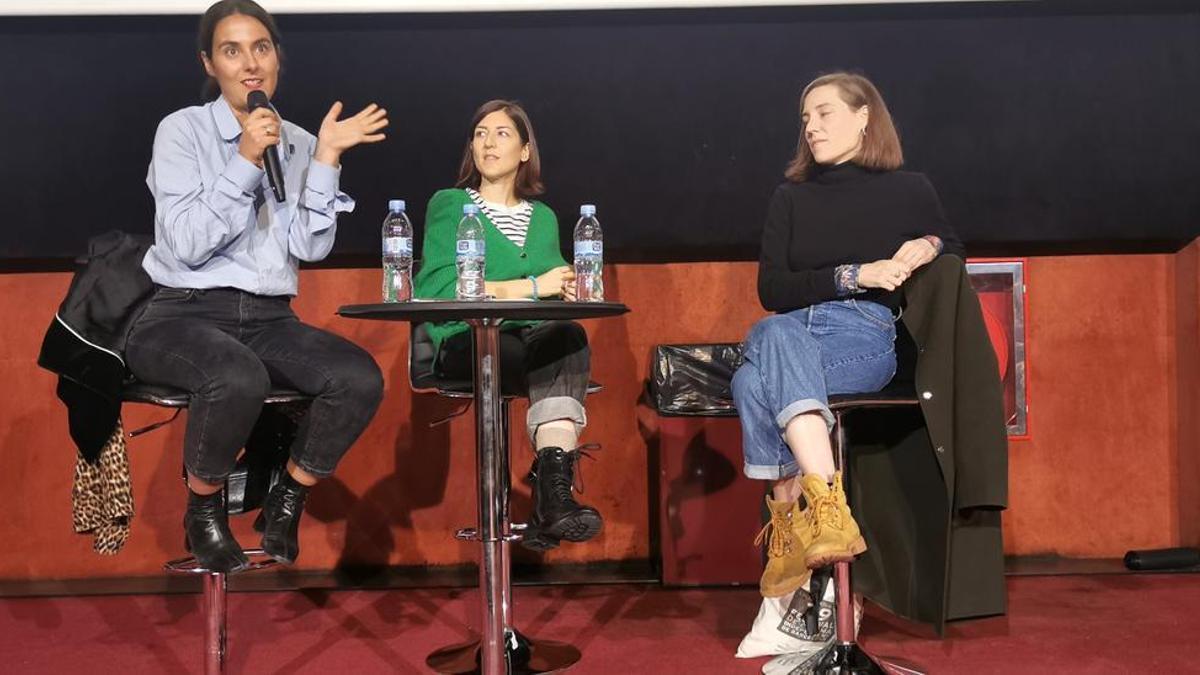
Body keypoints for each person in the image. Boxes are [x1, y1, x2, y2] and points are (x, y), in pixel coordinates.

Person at [126, 0, 389, 572]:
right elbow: (186, 244)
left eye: (261, 47)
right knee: (234, 375)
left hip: (269, 318)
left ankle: (286, 498)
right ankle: (203, 508)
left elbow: (310, 247)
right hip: (181, 314)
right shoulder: (182, 131)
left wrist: (325, 158)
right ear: (209, 62)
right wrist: (244, 159)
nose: (250, 63)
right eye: (231, 50)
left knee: (357, 377)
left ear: (276, 59)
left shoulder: (292, 138)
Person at [733, 72, 963, 598]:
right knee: (773, 336)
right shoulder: (789, 198)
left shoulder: (909, 188)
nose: (811, 126)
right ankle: (829, 512)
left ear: (864, 117)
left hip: (861, 336)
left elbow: (951, 245)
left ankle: (790, 525)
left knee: (754, 380)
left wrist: (928, 243)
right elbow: (772, 288)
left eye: (824, 113)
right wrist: (854, 274)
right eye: (805, 118)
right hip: (790, 331)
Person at [413, 99, 603, 552]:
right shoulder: (452, 204)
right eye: (479, 133)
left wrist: (568, 289)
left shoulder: (543, 219)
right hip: (469, 339)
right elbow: (438, 286)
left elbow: (553, 288)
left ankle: (552, 492)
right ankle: (550, 497)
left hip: (531, 342)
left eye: (500, 133)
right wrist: (531, 287)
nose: (487, 142)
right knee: (535, 348)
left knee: (568, 335)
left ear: (524, 151)